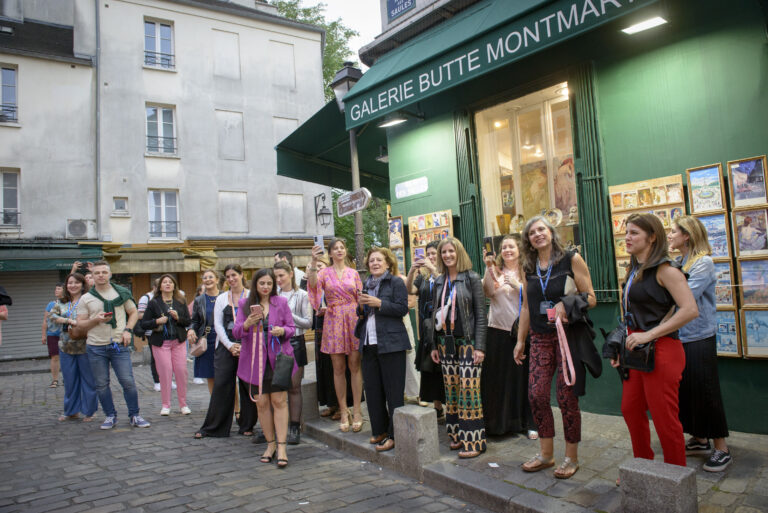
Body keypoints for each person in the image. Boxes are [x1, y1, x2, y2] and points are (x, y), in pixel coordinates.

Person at [611, 213, 698, 467]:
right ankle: (642, 467)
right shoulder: (635, 269)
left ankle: (675, 475)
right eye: (626, 232)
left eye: (634, 233)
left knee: (664, 418)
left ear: (652, 237)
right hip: (636, 350)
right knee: (630, 409)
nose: (627, 237)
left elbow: (690, 310)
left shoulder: (666, 269)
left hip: (662, 350)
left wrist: (649, 334)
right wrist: (620, 346)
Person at [514, 216, 598, 479]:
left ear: (551, 232)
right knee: (536, 395)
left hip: (567, 337)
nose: (538, 234)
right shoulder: (528, 267)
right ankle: (546, 454)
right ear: (528, 240)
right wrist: (520, 340)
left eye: (542, 229)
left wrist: (566, 303)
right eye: (532, 232)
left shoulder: (571, 259)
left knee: (566, 397)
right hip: (540, 337)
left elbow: (591, 298)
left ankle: (571, 457)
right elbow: (526, 307)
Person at [668, 216, 731, 471]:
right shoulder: (679, 262)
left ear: (687, 235)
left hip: (699, 336)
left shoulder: (703, 263)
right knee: (687, 390)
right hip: (681, 336)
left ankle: (722, 448)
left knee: (706, 391)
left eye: (674, 231)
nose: (670, 235)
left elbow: (685, 298)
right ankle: (700, 438)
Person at [428, 236, 487, 459]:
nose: (447, 255)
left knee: (469, 391)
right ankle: (457, 435)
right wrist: (434, 344)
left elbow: (481, 314)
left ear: (459, 253)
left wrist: (480, 347)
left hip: (469, 343)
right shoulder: (439, 281)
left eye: (451, 251)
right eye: (444, 252)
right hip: (446, 342)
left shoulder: (472, 278)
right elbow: (434, 313)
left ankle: (474, 442)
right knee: (451, 390)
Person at [73, 261, 150, 429]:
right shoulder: (86, 298)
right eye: (97, 273)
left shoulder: (122, 292)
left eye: (104, 272)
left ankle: (134, 415)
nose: (101, 275)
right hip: (95, 346)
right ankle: (110, 416)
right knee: (101, 385)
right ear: (92, 276)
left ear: (110, 274)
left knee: (127, 381)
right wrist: (96, 320)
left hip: (118, 344)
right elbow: (80, 324)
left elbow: (133, 312)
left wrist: (128, 330)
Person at [234, 269, 296, 468]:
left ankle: (282, 446)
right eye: (262, 283)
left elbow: (292, 328)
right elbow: (236, 332)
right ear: (255, 284)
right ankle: (270, 444)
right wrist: (247, 324)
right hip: (254, 362)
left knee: (279, 401)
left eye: (269, 283)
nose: (266, 287)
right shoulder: (244, 305)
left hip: (277, 360)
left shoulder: (281, 302)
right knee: (261, 403)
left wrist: (282, 330)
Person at [482, 235, 537, 438]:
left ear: (519, 249)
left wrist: (517, 285)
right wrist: (488, 266)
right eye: (504, 247)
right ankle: (499, 424)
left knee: (523, 380)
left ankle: (527, 423)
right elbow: (487, 292)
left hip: (520, 332)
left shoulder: (526, 270)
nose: (507, 250)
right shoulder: (495, 271)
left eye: (511, 246)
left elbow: (534, 295)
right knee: (498, 380)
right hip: (496, 331)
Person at [308, 238, 364, 433]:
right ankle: (343, 410)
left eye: (342, 247)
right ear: (330, 253)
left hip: (352, 319)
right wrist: (313, 262)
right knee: (338, 368)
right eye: (335, 248)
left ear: (345, 251)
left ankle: (357, 410)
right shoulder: (324, 273)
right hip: (333, 320)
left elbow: (360, 297)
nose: (339, 250)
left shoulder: (353, 273)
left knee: (355, 365)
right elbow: (313, 287)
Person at [194, 264, 257, 438]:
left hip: (247, 344)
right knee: (221, 385)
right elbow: (218, 325)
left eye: (234, 275)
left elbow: (256, 321)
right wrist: (229, 345)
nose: (231, 279)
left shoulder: (251, 296)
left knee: (247, 385)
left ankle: (247, 425)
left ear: (242, 275)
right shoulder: (222, 298)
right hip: (225, 345)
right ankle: (214, 427)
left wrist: (242, 345)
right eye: (228, 276)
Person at [358, 247, 410, 452]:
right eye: (372, 261)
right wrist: (360, 306)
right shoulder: (366, 284)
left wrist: (379, 303)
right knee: (372, 389)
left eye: (379, 260)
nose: (375, 263)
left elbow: (402, 309)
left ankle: (394, 434)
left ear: (388, 263)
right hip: (368, 342)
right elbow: (363, 313)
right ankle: (379, 430)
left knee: (393, 391)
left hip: (392, 343)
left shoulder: (396, 282)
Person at [140, 274, 192, 416]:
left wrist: (177, 317)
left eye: (170, 282)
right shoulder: (154, 303)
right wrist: (157, 321)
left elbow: (188, 321)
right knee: (165, 373)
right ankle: (166, 405)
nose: (168, 284)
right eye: (165, 282)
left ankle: (183, 404)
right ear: (160, 286)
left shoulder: (180, 301)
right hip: (161, 343)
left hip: (178, 342)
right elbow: (144, 323)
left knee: (181, 372)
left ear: (174, 286)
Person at [49, 273, 97, 422]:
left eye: (76, 282)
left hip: (85, 345)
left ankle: (89, 411)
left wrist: (80, 323)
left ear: (82, 285)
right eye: (70, 283)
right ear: (66, 285)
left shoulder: (88, 300)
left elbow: (95, 317)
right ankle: (71, 411)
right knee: (69, 380)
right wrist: (68, 320)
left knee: (88, 380)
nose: (73, 285)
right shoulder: (61, 302)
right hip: (66, 346)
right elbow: (52, 316)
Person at [273, 261, 312, 445]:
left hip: (295, 342)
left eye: (281, 275)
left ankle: (295, 427)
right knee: (276, 387)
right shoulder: (273, 296)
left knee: (294, 387)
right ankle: (275, 425)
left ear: (290, 274)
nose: (278, 279)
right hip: (276, 343)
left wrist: (288, 313)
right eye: (276, 276)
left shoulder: (302, 295)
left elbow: (308, 322)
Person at [405, 241, 445, 417]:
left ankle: (452, 406)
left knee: (445, 368)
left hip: (444, 328)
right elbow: (410, 290)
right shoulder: (423, 277)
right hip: (427, 329)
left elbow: (445, 284)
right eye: (428, 254)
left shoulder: (445, 273)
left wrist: (432, 268)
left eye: (434, 253)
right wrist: (412, 271)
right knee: (430, 369)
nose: (431, 257)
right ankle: (437, 406)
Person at [312, 255, 348, 420]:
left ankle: (343, 406)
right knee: (324, 369)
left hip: (337, 326)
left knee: (339, 367)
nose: (318, 269)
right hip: (321, 328)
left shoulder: (334, 284)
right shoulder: (317, 286)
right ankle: (331, 404)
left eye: (321, 266)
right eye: (316, 267)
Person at [188, 270, 220, 394]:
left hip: (223, 341)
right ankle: (215, 404)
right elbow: (195, 320)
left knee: (227, 377)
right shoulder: (199, 300)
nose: (207, 279)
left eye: (211, 277)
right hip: (207, 340)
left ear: (217, 280)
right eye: (205, 277)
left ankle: (235, 406)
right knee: (210, 376)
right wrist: (191, 329)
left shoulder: (226, 296)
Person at [137, 280, 163, 392]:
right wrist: (155, 317)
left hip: (165, 331)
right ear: (154, 287)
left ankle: (167, 379)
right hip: (152, 331)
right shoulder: (146, 298)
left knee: (166, 358)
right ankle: (157, 381)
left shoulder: (165, 297)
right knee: (155, 357)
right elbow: (139, 315)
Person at [42, 283, 64, 388]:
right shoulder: (51, 304)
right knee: (55, 356)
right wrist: (43, 335)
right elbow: (45, 320)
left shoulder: (69, 304)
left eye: (59, 289)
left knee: (67, 356)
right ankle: (55, 380)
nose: (56, 290)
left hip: (65, 334)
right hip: (52, 334)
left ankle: (67, 378)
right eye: (55, 289)